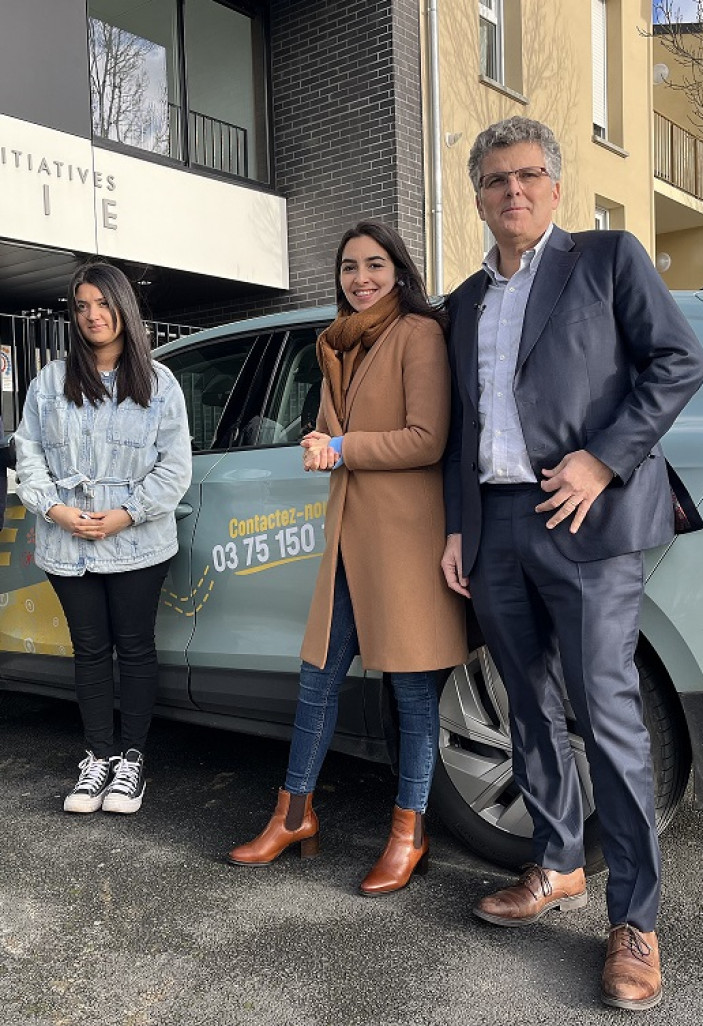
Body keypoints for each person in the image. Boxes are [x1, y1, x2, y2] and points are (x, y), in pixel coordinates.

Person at [440, 117, 703, 1010]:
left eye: (527, 176)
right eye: (494, 181)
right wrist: (458, 529)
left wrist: (606, 456)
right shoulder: (465, 302)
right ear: (477, 196)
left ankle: (635, 921)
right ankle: (556, 864)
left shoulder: (607, 260)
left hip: (586, 521)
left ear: (555, 186)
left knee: (609, 719)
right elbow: (464, 431)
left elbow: (679, 361)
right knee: (527, 705)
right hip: (499, 527)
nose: (511, 192)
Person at [228, 221, 467, 895]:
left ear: (399, 270)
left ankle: (408, 833)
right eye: (348, 267)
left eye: (374, 264)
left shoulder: (419, 334)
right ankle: (295, 815)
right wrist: (320, 439)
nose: (360, 277)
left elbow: (427, 438)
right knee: (317, 681)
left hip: (401, 540)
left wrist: (342, 448)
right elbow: (341, 432)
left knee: (413, 692)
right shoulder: (337, 341)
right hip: (346, 540)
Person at [14, 262, 192, 815]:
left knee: (135, 648)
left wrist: (126, 514)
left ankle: (131, 762)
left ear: (124, 309)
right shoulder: (50, 380)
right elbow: (29, 455)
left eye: (103, 304)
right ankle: (98, 757)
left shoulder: (159, 383)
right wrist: (57, 510)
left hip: (137, 541)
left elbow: (174, 468)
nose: (93, 315)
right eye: (82, 305)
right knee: (90, 650)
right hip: (67, 542)